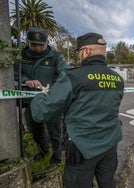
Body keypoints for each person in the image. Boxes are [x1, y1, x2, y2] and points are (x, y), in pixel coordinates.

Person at [30, 32, 124, 188]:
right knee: (107, 182)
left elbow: (42, 113)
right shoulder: (117, 79)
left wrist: (41, 95)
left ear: (86, 51)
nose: (80, 56)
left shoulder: (72, 77)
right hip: (110, 143)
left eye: (79, 52)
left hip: (82, 147)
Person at [14, 27, 70, 164]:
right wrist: (25, 80)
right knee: (36, 131)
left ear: (47, 42)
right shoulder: (21, 56)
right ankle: (43, 151)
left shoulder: (56, 57)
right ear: (28, 42)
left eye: (41, 45)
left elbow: (66, 74)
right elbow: (13, 73)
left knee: (55, 132)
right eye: (34, 44)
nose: (38, 48)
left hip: (50, 101)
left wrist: (57, 91)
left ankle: (56, 158)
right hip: (30, 101)